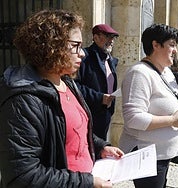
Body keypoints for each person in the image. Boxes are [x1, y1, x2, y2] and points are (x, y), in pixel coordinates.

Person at [0, 9, 124, 188]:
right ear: (51, 46)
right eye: (76, 45)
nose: (82, 53)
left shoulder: (67, 82)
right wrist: (88, 182)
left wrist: (100, 147)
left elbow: (75, 131)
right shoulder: (23, 100)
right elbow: (23, 176)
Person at [118, 23, 178, 188]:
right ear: (155, 45)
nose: (175, 50)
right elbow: (133, 118)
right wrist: (172, 120)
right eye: (172, 45)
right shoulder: (139, 73)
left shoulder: (165, 71)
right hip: (147, 156)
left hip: (161, 155)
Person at [75, 24, 119, 141]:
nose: (111, 41)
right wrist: (99, 98)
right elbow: (75, 86)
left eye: (113, 37)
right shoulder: (84, 57)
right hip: (88, 112)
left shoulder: (110, 60)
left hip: (105, 113)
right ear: (96, 37)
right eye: (108, 37)